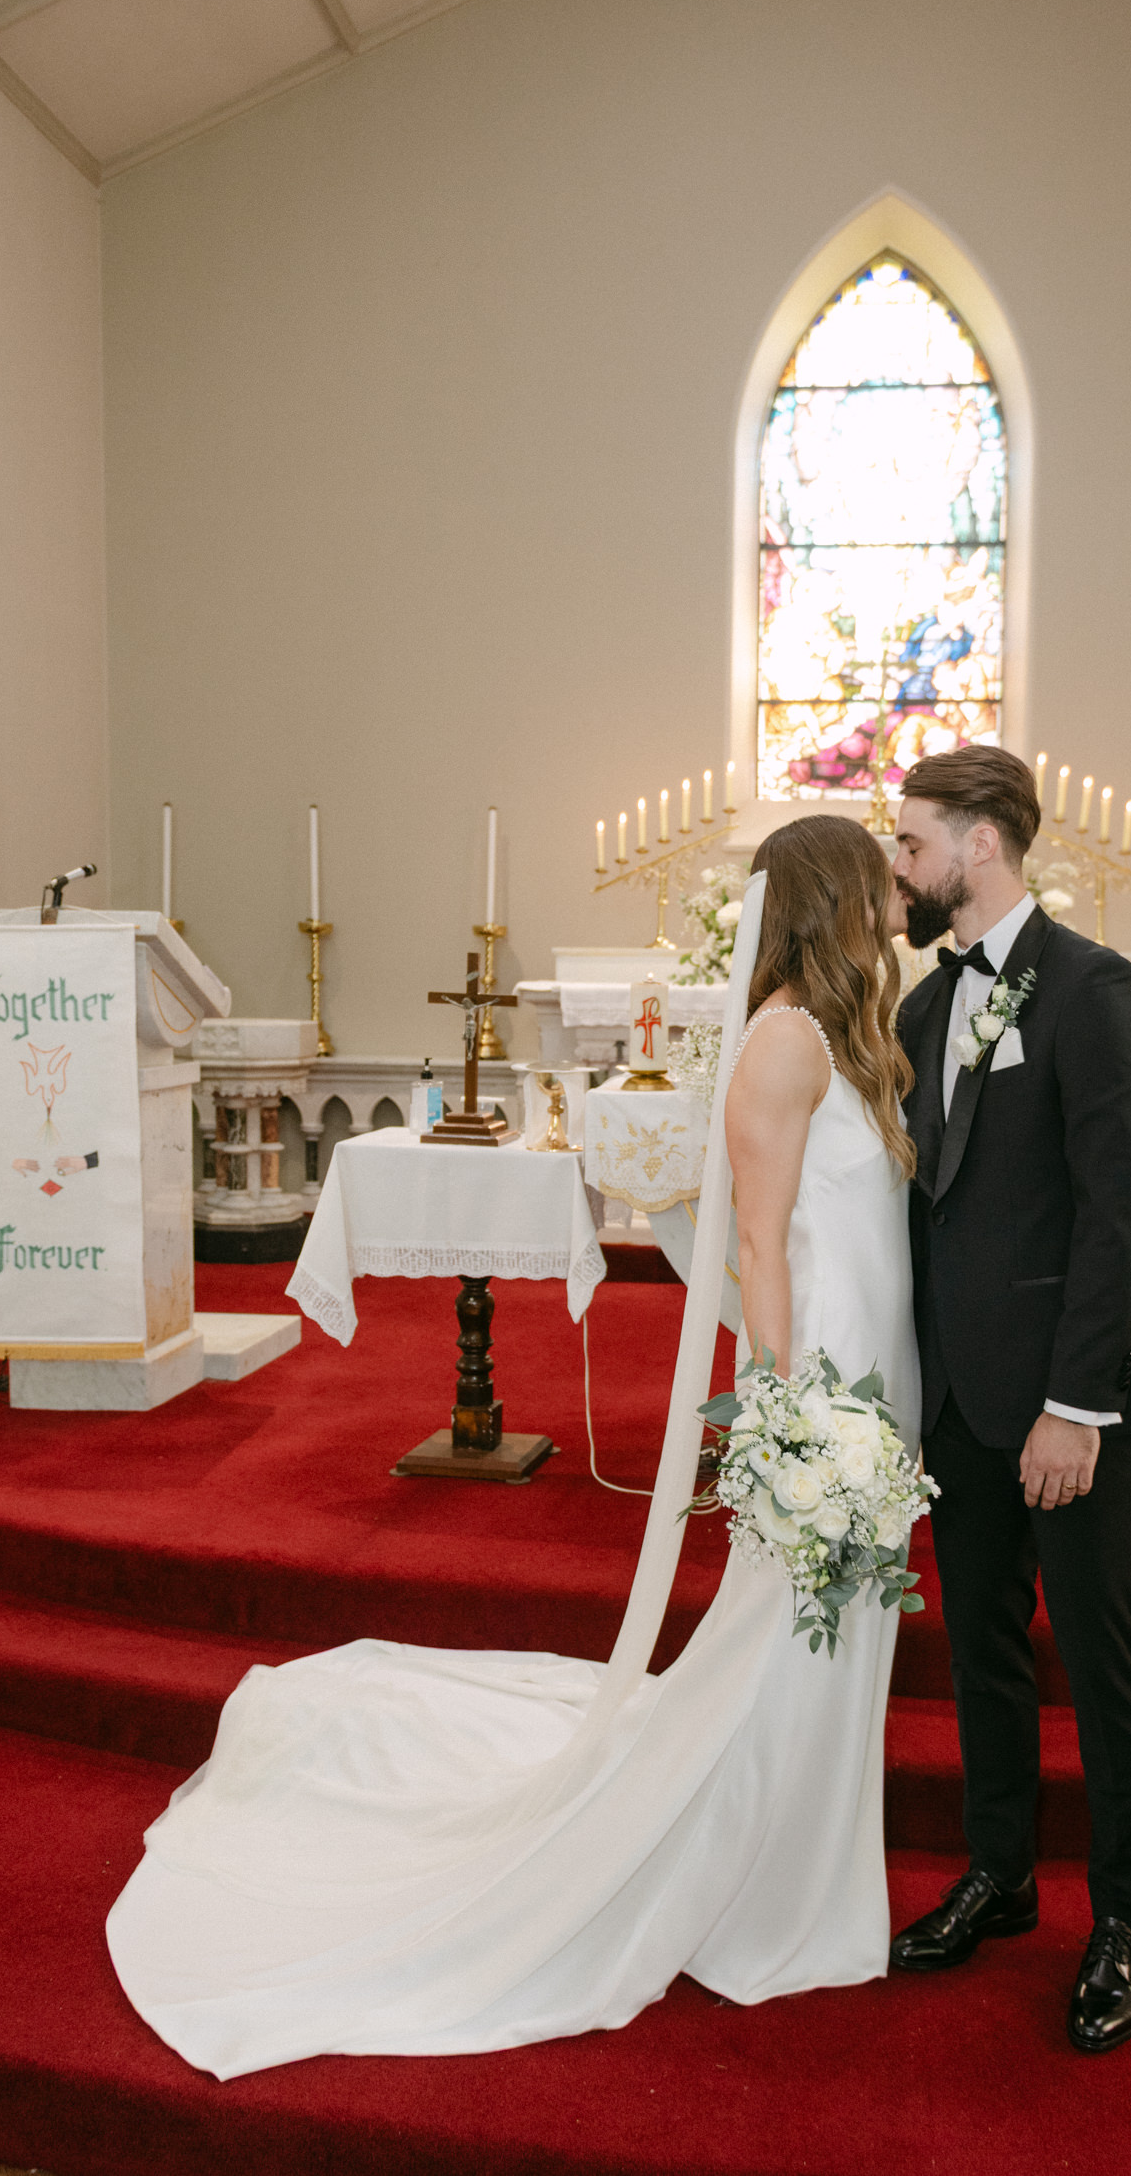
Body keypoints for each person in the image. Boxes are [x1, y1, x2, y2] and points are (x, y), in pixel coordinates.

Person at [106, 815, 922, 2078]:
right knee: (792, 1635)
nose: (897, 904)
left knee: (838, 1633)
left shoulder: (844, 1035)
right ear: (835, 901)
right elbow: (762, 1242)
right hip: (823, 1387)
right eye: (879, 885)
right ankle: (769, 1885)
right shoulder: (783, 1043)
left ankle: (804, 1865)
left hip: (875, 1375)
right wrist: (782, 1413)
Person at [888, 743, 1131, 2054]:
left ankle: (1121, 1918)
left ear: (981, 842)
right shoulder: (922, 1009)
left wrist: (1079, 1402)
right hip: (958, 1391)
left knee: (1101, 1655)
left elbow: (1118, 1215)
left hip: (1071, 1399)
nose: (900, 867)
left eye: (912, 844)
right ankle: (1001, 1872)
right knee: (983, 1648)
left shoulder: (1092, 988)